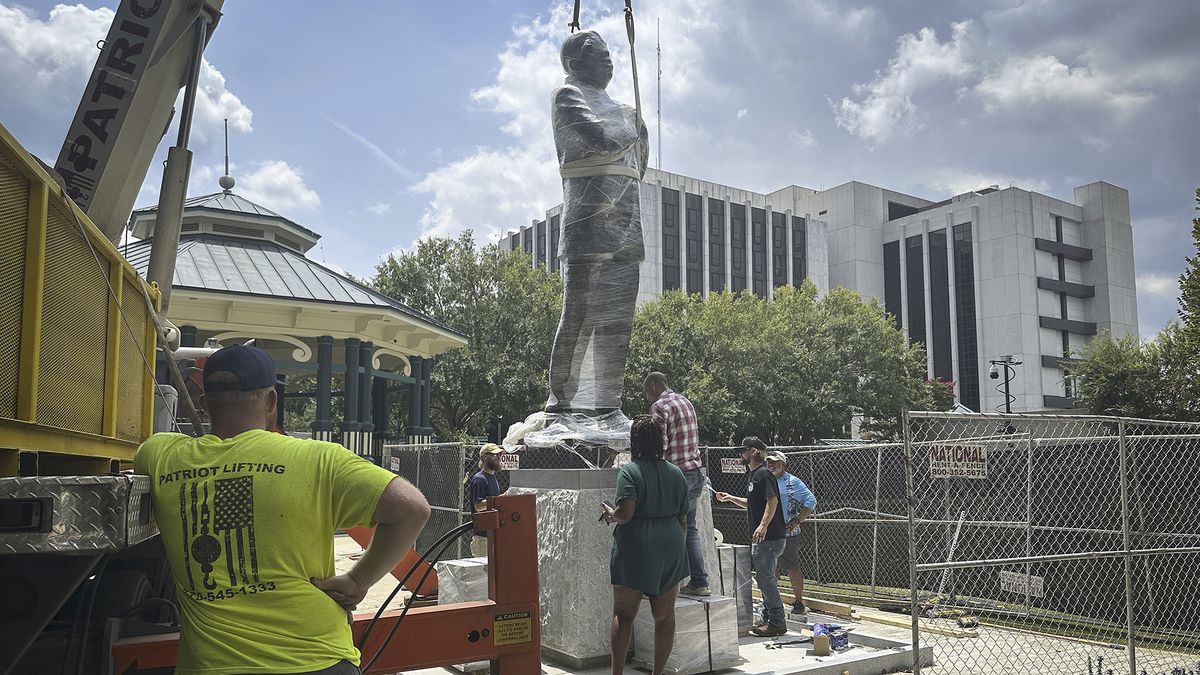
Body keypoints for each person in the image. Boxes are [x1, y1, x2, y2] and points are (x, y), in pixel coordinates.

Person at [134, 345, 431, 675]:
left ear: (204, 405)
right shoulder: (318, 460)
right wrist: (357, 581)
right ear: (272, 401)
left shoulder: (159, 457)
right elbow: (412, 508)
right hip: (319, 661)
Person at [546, 29, 648, 413]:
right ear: (573, 63)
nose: (608, 60)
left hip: (626, 225)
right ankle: (562, 401)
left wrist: (633, 129)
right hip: (586, 229)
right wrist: (633, 128)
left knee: (618, 322)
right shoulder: (567, 96)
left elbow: (639, 162)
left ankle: (607, 404)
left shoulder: (625, 108)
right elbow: (599, 139)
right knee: (579, 314)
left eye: (609, 53)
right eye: (596, 53)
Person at [601, 415, 690, 675]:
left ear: (634, 442)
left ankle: (617, 673)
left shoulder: (630, 471)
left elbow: (625, 513)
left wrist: (610, 514)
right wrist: (675, 548)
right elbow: (683, 518)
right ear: (661, 442)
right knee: (664, 617)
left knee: (624, 614)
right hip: (671, 545)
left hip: (636, 547)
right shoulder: (676, 472)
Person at [643, 371, 710, 596]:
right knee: (689, 529)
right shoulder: (685, 401)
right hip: (695, 472)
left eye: (646, 392)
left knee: (667, 528)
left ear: (653, 386)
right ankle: (699, 582)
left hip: (676, 475)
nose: (647, 397)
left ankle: (665, 585)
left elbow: (659, 446)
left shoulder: (659, 407)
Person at [714, 436, 789, 637]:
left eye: (744, 450)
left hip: (769, 538)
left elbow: (771, 501)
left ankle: (777, 622)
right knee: (766, 579)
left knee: (765, 581)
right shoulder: (754, 475)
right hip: (767, 538)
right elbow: (752, 503)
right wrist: (730, 498)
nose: (741, 454)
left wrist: (763, 525)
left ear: (754, 451)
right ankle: (766, 619)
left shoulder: (763, 474)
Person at [764, 450, 816, 618]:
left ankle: (799, 602)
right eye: (769, 462)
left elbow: (810, 501)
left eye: (775, 462)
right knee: (771, 569)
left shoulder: (792, 482)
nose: (771, 465)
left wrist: (798, 520)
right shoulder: (764, 479)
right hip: (768, 533)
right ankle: (771, 601)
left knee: (792, 567)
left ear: (783, 464)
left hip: (787, 535)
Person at [468, 443, 505, 557]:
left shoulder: (493, 478)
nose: (498, 458)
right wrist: (499, 500)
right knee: (485, 575)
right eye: (495, 455)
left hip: (492, 536)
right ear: (484, 457)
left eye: (499, 455)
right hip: (483, 539)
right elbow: (478, 507)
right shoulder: (479, 479)